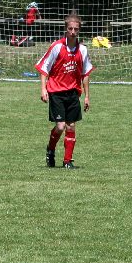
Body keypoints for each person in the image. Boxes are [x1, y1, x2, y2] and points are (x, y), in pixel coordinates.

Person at [37, 13, 93, 169]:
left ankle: (68, 161)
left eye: (76, 29)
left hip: (73, 93)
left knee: (71, 126)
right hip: (56, 92)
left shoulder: (83, 50)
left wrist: (87, 96)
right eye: (70, 29)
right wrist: (43, 89)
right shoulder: (57, 47)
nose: (73, 32)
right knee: (60, 126)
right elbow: (44, 68)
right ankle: (51, 149)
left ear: (79, 30)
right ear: (66, 29)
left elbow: (85, 74)